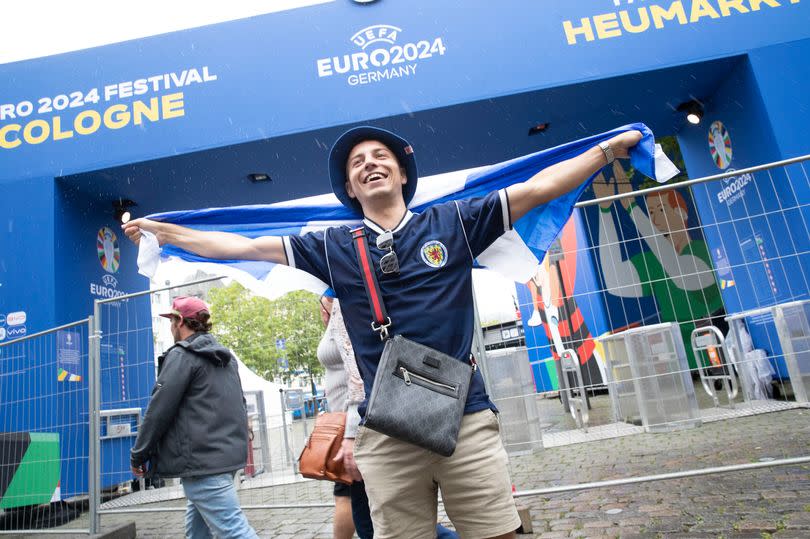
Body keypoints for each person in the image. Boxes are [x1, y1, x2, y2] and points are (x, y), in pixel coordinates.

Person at [124, 125, 642, 539]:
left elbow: (536, 189)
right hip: (385, 432)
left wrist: (606, 151)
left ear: (400, 172)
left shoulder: (454, 222)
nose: (369, 163)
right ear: (350, 188)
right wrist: (161, 232)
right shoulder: (331, 246)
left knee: (495, 534)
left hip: (464, 418)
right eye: (356, 162)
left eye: (379, 155)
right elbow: (240, 246)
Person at [319, 291, 460, 539]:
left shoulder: (343, 300)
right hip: (354, 423)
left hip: (363, 423)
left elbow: (356, 370)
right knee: (377, 517)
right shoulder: (335, 306)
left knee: (373, 522)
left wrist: (352, 431)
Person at [129, 296, 258, 539]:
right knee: (197, 532)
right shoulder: (224, 357)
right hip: (225, 459)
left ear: (179, 321)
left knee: (235, 532)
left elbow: (158, 410)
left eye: (171, 320)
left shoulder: (182, 355)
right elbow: (239, 403)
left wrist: (139, 454)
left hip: (202, 462)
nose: (170, 326)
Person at [592, 161, 724, 369]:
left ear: (681, 213)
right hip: (683, 362)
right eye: (651, 213)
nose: (655, 220)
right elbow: (615, 281)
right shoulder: (655, 261)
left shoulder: (699, 251)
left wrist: (633, 208)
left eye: (661, 210)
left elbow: (679, 272)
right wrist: (605, 209)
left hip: (719, 351)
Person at [316, 291, 365, 539]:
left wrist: (352, 431)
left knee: (366, 516)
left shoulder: (343, 309)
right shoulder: (336, 311)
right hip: (344, 422)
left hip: (353, 424)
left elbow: (355, 372)